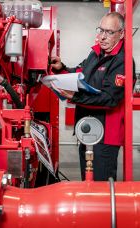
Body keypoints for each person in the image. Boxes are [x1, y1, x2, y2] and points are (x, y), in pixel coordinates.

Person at [50, 12, 135, 181]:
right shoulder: (95, 54)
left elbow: (110, 99)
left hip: (105, 138)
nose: (102, 37)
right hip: (87, 130)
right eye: (100, 30)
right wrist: (61, 69)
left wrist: (76, 97)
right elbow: (80, 74)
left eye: (109, 32)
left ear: (122, 34)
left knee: (101, 186)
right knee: (88, 183)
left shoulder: (122, 61)